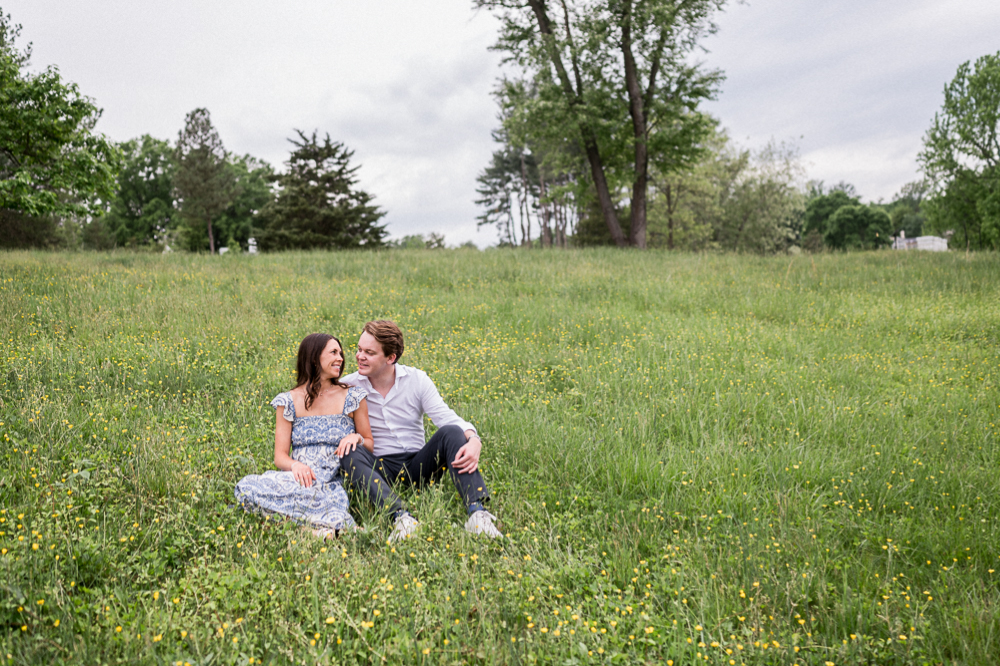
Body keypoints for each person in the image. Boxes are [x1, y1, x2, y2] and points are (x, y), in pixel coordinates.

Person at [340, 320, 501, 542]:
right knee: (349, 450)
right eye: (359, 349)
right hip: (379, 469)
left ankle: (477, 514)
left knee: (452, 431)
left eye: (369, 352)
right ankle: (401, 518)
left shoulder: (416, 380)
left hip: (419, 466)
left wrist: (474, 439)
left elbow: (445, 416)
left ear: (390, 358)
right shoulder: (348, 386)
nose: (359, 356)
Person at [235, 333, 373, 538]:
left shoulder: (353, 396)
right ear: (314, 357)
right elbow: (280, 456)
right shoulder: (287, 401)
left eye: (341, 353)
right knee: (245, 488)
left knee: (328, 503)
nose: (341, 358)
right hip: (301, 478)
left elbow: (369, 444)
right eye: (334, 352)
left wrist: (357, 438)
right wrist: (295, 465)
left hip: (332, 479)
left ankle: (311, 529)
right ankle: (310, 531)